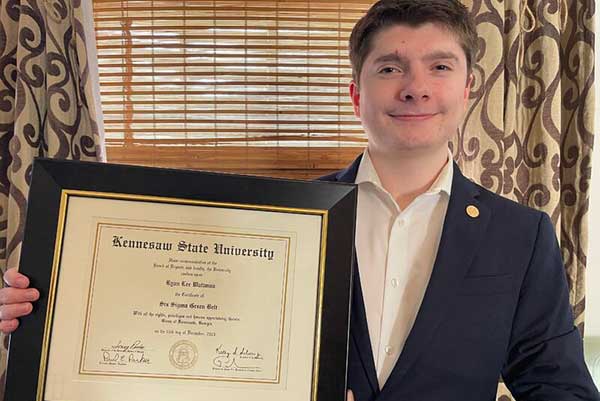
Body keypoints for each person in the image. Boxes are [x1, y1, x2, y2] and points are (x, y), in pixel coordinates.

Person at [1, 0, 599, 400]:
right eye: (389, 67)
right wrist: (50, 311)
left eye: (439, 65)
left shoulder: (521, 236)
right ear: (355, 92)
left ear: (468, 87)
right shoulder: (274, 224)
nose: (415, 85)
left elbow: (558, 386)